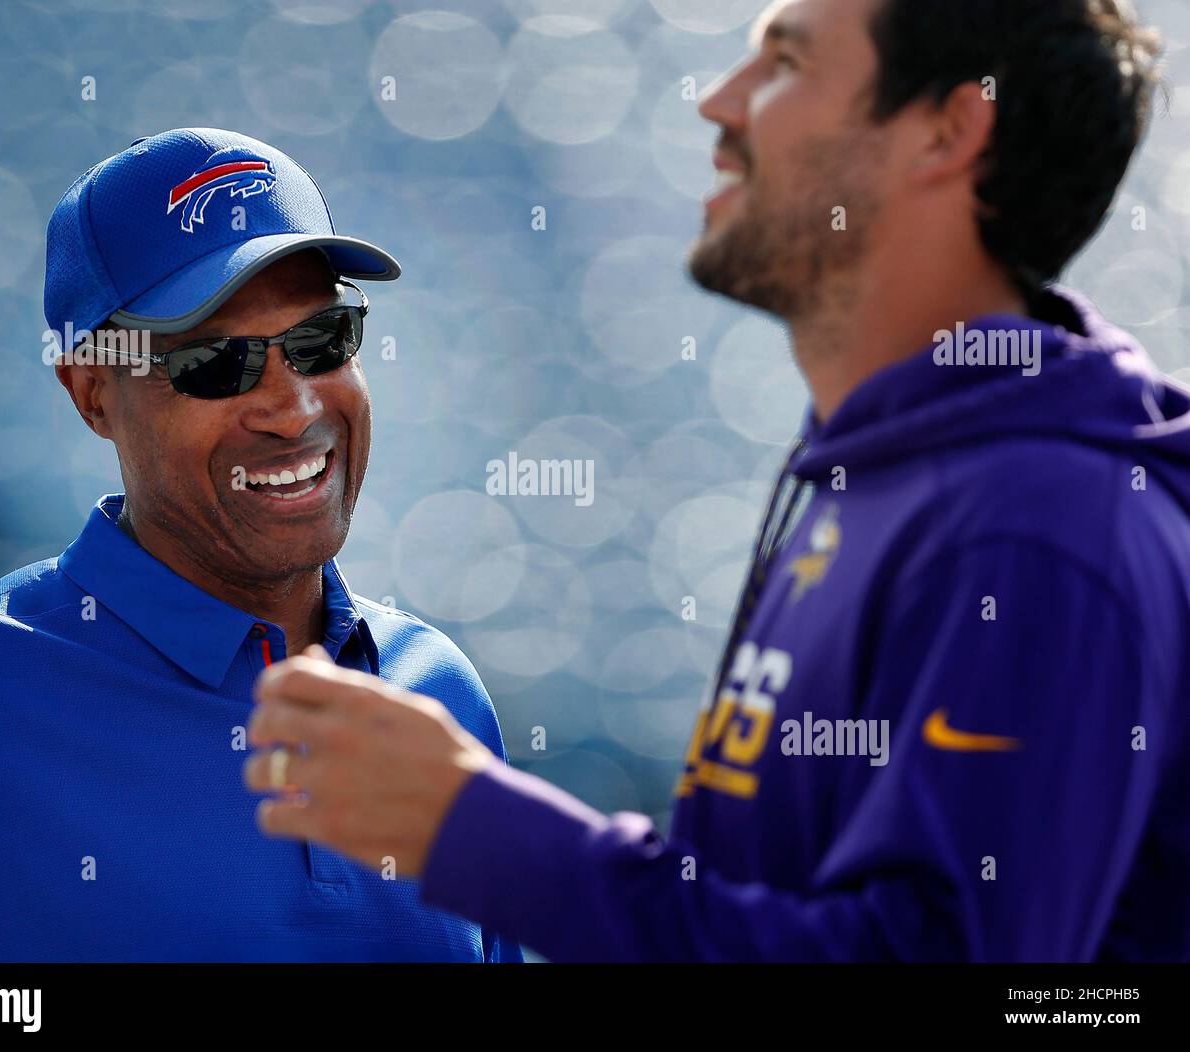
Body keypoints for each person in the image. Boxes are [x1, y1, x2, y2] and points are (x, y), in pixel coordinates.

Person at [242, 0, 1190, 961]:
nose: (718, 102)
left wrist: (481, 837)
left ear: (948, 130)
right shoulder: (889, 474)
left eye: (783, 62)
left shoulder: (1045, 531)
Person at [0, 128, 520, 963]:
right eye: (217, 363)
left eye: (321, 340)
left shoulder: (439, 690)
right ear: (92, 393)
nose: (293, 410)